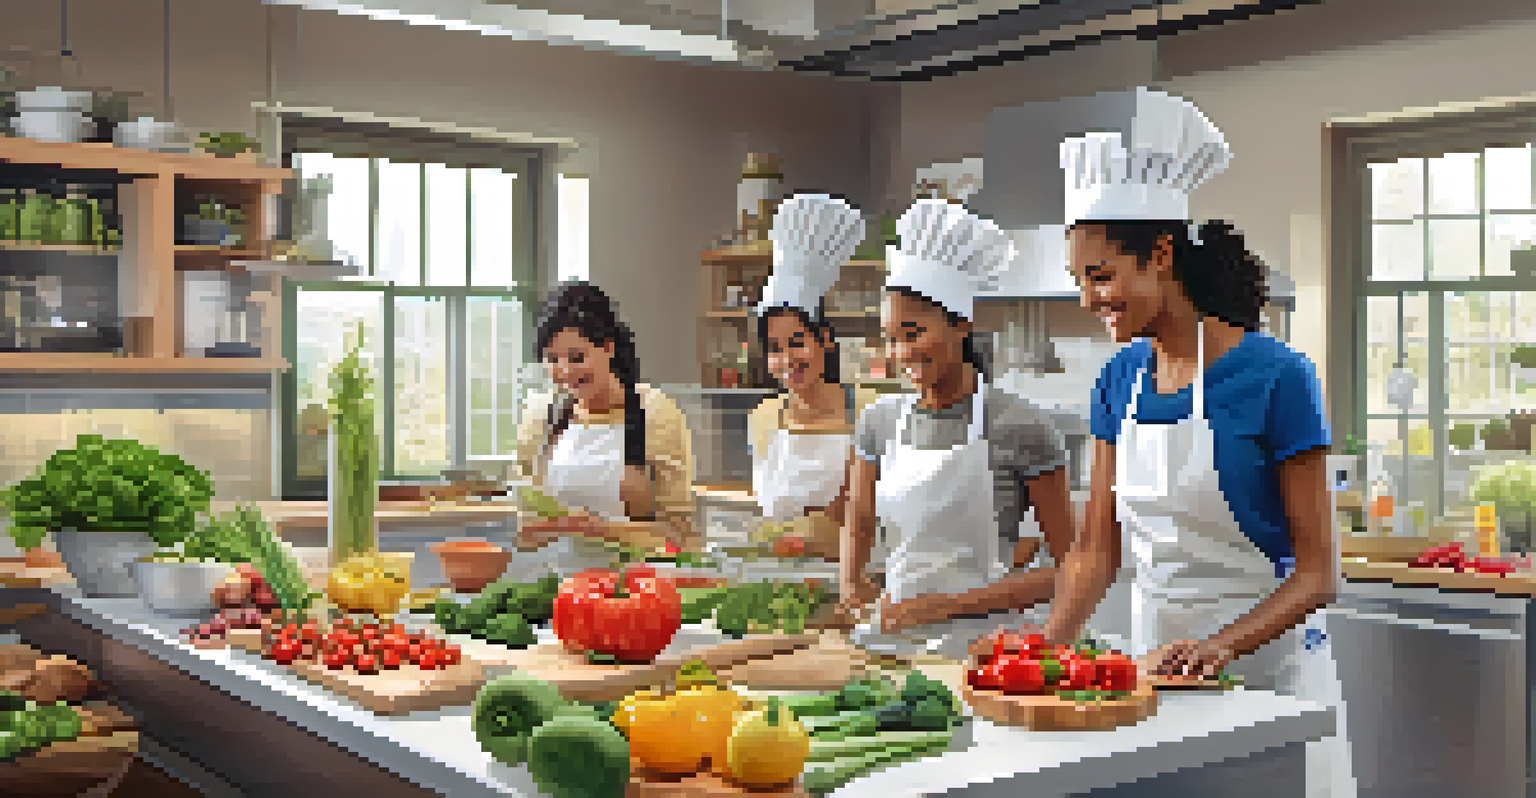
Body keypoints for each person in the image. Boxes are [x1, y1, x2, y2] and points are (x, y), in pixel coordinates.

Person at [1040, 89, 1353, 796]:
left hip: (1272, 681)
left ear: (1160, 254)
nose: (1091, 299)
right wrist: (1043, 650)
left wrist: (1219, 647)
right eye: (1079, 281)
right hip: (1157, 679)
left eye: (1101, 276)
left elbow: (1317, 573)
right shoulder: (1118, 380)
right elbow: (1095, 550)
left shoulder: (1278, 376)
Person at [838, 198, 1077, 659]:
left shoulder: (1020, 426)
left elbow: (1070, 567)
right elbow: (859, 520)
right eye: (891, 338)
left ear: (961, 324)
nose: (902, 351)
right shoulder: (880, 422)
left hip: (986, 648)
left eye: (914, 333)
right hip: (892, 641)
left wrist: (942, 607)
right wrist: (851, 583)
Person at [512, 281, 695, 575]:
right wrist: (543, 529)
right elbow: (524, 533)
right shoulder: (540, 416)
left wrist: (599, 529)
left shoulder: (655, 413)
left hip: (636, 589)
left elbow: (678, 536)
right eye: (553, 359)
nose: (566, 371)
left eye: (577, 358)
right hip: (556, 589)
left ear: (608, 347)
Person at [750, 194, 881, 561]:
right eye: (774, 348)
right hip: (779, 581)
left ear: (823, 339)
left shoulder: (869, 411)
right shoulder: (763, 418)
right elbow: (769, 517)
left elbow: (871, 513)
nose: (786, 359)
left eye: (797, 343)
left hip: (857, 579)